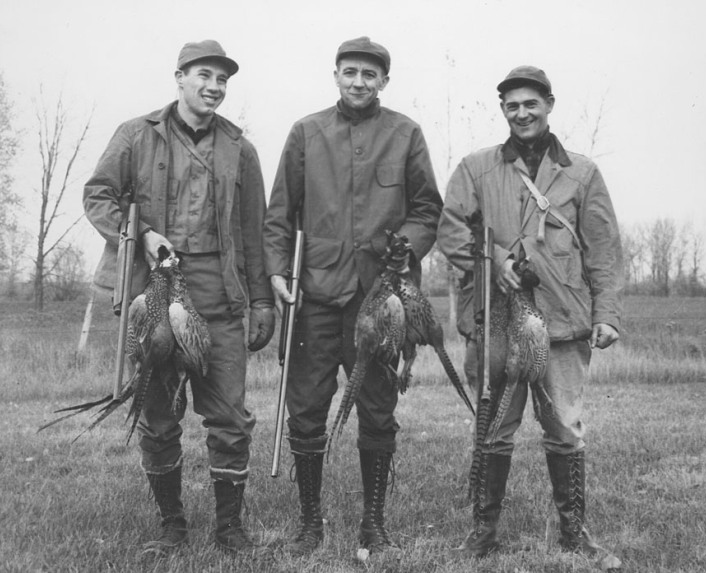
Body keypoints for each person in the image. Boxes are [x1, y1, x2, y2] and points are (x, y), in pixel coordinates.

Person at [83, 40, 275, 556]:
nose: (213, 87)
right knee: (157, 414)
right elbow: (97, 196)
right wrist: (141, 234)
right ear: (180, 77)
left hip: (219, 293)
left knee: (230, 417)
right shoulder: (135, 135)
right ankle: (172, 525)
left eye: (222, 80)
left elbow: (254, 232)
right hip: (153, 290)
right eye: (204, 76)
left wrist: (262, 301)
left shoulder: (241, 149)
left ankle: (229, 528)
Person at [437, 66, 623, 569]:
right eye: (512, 106)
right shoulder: (476, 168)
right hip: (496, 322)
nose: (522, 113)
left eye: (530, 104)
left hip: (563, 322)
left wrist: (606, 313)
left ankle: (574, 533)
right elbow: (450, 230)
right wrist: (494, 259)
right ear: (503, 110)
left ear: (549, 105)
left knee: (564, 428)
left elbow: (603, 248)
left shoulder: (582, 172)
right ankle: (483, 533)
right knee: (494, 428)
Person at [263, 36, 443, 557]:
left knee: (378, 410)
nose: (359, 82)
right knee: (306, 411)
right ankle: (309, 522)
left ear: (383, 80)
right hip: (315, 296)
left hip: (380, 302)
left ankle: (374, 523)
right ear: (336, 75)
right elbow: (279, 215)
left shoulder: (406, 133)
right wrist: (277, 272)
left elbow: (427, 209)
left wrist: (406, 246)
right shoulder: (306, 132)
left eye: (369, 74)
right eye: (350, 72)